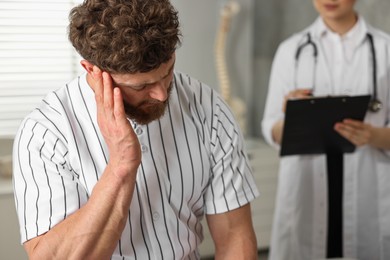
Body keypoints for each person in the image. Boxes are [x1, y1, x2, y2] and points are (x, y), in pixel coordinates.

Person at [12, 0, 259, 259]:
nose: (162, 95)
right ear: (92, 71)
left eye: (167, 73)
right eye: (140, 87)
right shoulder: (45, 133)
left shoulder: (209, 109)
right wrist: (120, 166)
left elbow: (235, 237)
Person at [262, 0, 390, 259]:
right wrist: (292, 115)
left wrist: (373, 135)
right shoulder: (291, 50)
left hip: (367, 189)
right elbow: (271, 128)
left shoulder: (386, 48)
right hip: (306, 187)